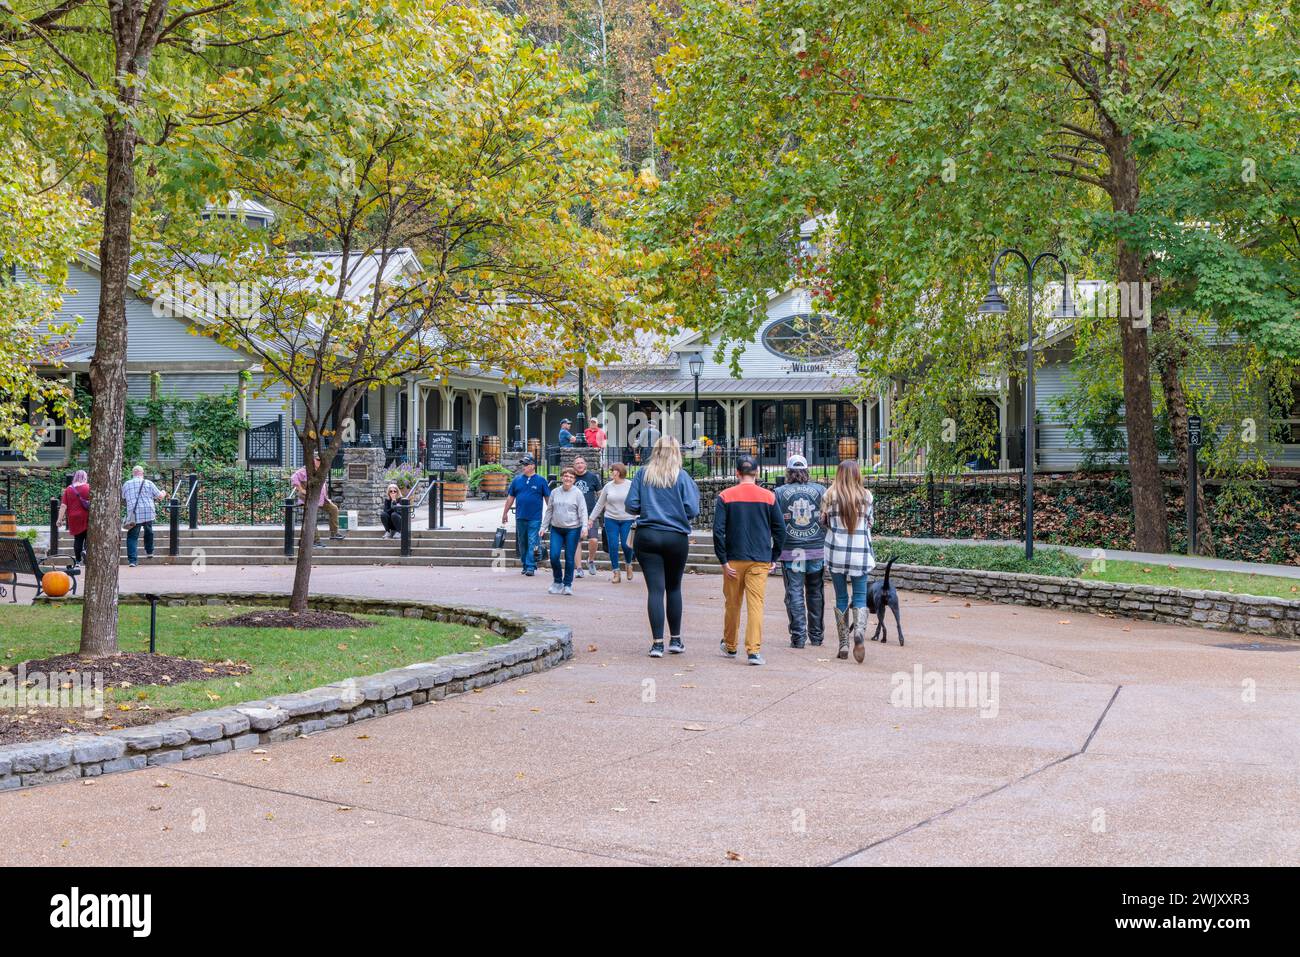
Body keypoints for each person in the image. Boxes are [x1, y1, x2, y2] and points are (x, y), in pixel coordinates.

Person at [627, 435, 700, 658]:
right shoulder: (682, 476)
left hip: (648, 535)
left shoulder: (643, 474)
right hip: (675, 536)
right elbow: (693, 509)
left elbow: (631, 505)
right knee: (674, 587)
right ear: (677, 452)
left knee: (655, 590)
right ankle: (675, 640)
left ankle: (657, 643)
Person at [713, 454, 785, 666]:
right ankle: (753, 651)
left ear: (737, 473)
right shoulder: (769, 497)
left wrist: (723, 560)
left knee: (732, 604)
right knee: (756, 605)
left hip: (734, 558)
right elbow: (780, 530)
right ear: (757, 473)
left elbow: (718, 531)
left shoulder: (725, 496)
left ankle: (731, 645)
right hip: (760, 558)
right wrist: (775, 555)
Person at [821, 459, 876, 662]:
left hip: (836, 553)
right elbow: (870, 523)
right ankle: (859, 633)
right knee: (860, 597)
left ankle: (843, 643)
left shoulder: (828, 495)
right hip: (860, 553)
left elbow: (823, 521)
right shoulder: (866, 496)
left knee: (841, 597)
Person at [775, 454, 827, 648]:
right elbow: (826, 518)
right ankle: (817, 636)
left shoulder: (779, 493)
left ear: (788, 472)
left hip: (791, 551)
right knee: (815, 592)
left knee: (794, 592)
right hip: (816, 550)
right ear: (807, 470)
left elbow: (775, 521)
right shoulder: (821, 490)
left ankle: (798, 637)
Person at [541, 466, 588, 596]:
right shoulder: (555, 492)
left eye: (571, 477)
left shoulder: (577, 493)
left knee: (569, 557)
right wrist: (543, 527)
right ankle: (557, 581)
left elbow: (583, 511)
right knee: (554, 556)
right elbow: (549, 510)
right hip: (556, 528)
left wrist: (584, 527)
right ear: (562, 477)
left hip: (573, 529)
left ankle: (567, 584)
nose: (568, 478)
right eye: (566, 476)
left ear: (574, 480)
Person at [502, 453, 550, 576]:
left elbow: (547, 499)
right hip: (520, 516)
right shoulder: (517, 480)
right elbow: (510, 498)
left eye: (526, 464)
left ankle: (530, 566)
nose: (523, 466)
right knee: (522, 542)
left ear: (533, 466)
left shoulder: (541, 480)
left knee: (533, 540)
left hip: (535, 517)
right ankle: (525, 564)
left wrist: (550, 515)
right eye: (523, 464)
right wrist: (505, 513)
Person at [590, 462, 634, 582]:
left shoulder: (630, 485)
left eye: (612, 470)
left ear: (618, 472)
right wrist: (591, 519)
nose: (610, 472)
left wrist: (638, 516)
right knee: (613, 546)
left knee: (627, 545)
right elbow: (600, 504)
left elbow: (637, 501)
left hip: (628, 519)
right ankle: (616, 572)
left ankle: (629, 564)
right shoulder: (608, 486)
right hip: (611, 519)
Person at [292, 453, 346, 547]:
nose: (320, 462)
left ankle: (334, 533)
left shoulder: (321, 470)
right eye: (318, 460)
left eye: (321, 460)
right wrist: (301, 490)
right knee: (312, 518)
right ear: (313, 460)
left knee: (334, 509)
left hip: (321, 498)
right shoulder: (305, 471)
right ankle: (315, 541)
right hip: (309, 499)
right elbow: (293, 478)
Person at [121, 465, 167, 567]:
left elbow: (123, 497)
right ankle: (149, 551)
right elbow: (159, 496)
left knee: (132, 536)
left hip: (134, 514)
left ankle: (132, 561)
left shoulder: (127, 484)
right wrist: (163, 492)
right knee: (149, 531)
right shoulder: (148, 483)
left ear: (133, 473)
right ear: (142, 473)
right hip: (148, 512)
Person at [571, 455, 604, 578]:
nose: (579, 465)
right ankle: (579, 568)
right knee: (577, 542)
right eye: (577, 463)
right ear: (574, 466)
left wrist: (600, 512)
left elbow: (601, 496)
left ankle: (590, 560)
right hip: (575, 515)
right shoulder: (571, 477)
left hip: (591, 515)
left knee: (593, 540)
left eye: (581, 462)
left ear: (585, 465)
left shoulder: (592, 477)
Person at [57, 470, 91, 567]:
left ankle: (78, 561)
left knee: (78, 539)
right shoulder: (88, 487)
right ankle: (85, 551)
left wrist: (59, 520)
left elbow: (63, 506)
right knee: (88, 537)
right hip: (86, 516)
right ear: (85, 477)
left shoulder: (69, 489)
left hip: (73, 517)